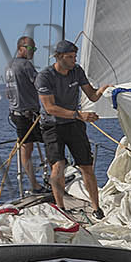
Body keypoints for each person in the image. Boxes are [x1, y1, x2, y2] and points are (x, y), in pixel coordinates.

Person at [36, 40, 110, 218]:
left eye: (74, 56)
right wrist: (79, 115)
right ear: (59, 58)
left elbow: (91, 96)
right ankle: (61, 208)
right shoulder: (45, 76)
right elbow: (50, 108)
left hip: (74, 124)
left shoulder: (77, 71)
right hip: (52, 125)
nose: (73, 60)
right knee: (58, 166)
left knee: (86, 166)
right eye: (70, 57)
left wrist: (103, 90)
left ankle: (96, 208)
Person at [3, 35, 43, 196]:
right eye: (30, 49)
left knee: (27, 148)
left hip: (16, 114)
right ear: (21, 49)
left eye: (34, 49)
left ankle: (35, 183)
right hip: (29, 114)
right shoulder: (26, 65)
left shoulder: (8, 66)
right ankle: (48, 179)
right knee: (51, 139)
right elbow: (41, 84)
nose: (33, 52)